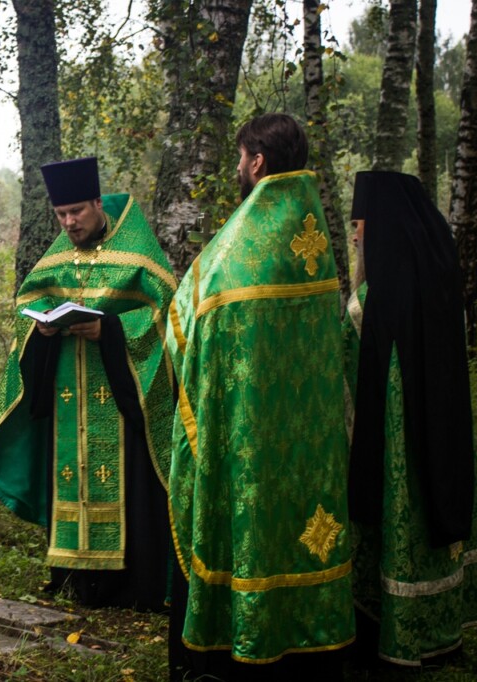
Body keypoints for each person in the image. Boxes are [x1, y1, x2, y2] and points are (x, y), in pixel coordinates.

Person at [165, 114, 355, 678]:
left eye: (240, 158)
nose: (238, 168)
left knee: (250, 518)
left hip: (245, 428)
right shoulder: (313, 241)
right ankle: (315, 643)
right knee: (307, 519)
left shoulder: (241, 245)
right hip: (312, 434)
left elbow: (186, 321)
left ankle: (240, 640)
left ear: (258, 163)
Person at [0, 156, 176, 611]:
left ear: (97, 202)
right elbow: (27, 307)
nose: (69, 222)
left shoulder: (136, 250)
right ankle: (76, 577)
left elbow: (166, 314)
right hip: (69, 396)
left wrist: (109, 331)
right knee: (71, 475)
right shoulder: (56, 259)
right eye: (61, 215)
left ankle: (132, 584)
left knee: (127, 482)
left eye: (77, 212)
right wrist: (42, 330)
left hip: (121, 396)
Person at [345, 170, 477, 667]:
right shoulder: (438, 275)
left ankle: (396, 631)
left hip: (398, 447)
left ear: (381, 226)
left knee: (401, 515)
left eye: (359, 225)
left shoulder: (371, 303)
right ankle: (444, 626)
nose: (355, 237)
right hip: (445, 433)